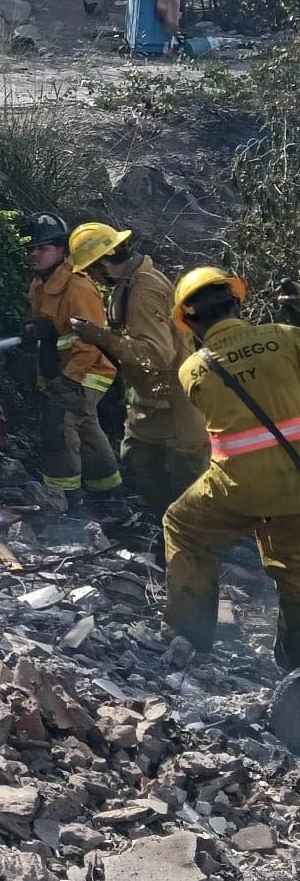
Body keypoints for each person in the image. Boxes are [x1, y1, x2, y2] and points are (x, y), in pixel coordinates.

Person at [162, 267, 300, 667]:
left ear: (189, 322)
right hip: (296, 481)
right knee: (294, 575)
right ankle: (291, 666)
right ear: (238, 302)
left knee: (183, 527)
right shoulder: (286, 338)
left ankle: (190, 636)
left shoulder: (192, 370)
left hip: (239, 487)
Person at [64, 223, 207, 521]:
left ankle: (201, 545)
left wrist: (99, 337)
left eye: (92, 271)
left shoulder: (144, 289)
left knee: (188, 481)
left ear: (104, 264)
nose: (93, 279)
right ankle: (171, 529)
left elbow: (156, 355)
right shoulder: (129, 285)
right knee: (138, 463)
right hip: (152, 404)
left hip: (178, 404)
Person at [22, 214, 122, 511]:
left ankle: (67, 501)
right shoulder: (40, 285)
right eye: (31, 248)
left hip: (89, 370)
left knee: (60, 424)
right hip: (66, 370)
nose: (34, 253)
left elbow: (92, 340)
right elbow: (47, 328)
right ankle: (107, 493)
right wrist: (31, 330)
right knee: (87, 428)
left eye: (43, 247)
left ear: (62, 250)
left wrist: (70, 380)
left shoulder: (78, 287)